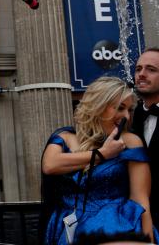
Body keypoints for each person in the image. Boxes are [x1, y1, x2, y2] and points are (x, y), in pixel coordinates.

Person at [41, 76, 157, 244]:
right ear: (98, 106)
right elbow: (50, 166)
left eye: (129, 110)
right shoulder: (65, 137)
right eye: (120, 108)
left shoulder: (130, 141)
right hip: (69, 227)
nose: (126, 116)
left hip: (118, 227)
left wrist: (150, 242)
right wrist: (102, 153)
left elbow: (140, 199)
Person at [131, 47, 159, 227]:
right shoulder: (131, 117)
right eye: (138, 69)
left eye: (151, 69)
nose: (141, 74)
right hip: (140, 218)